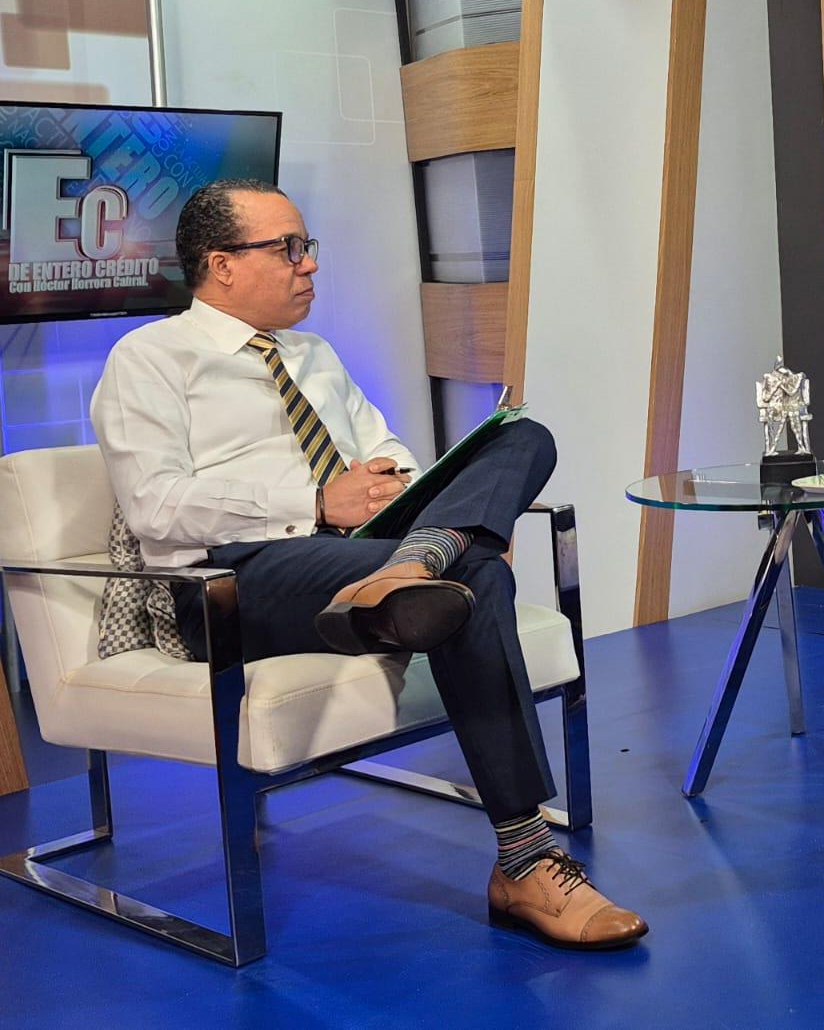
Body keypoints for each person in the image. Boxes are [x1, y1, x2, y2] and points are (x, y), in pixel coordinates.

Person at [89, 178, 647, 950]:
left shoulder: (313, 355)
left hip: (361, 554)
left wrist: (404, 491)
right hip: (232, 579)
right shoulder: (149, 359)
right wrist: (315, 501)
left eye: (307, 246)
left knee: (525, 436)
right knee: (479, 571)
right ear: (221, 264)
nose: (309, 264)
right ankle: (524, 860)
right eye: (288, 248)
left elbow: (386, 452)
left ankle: (418, 561)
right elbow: (157, 509)